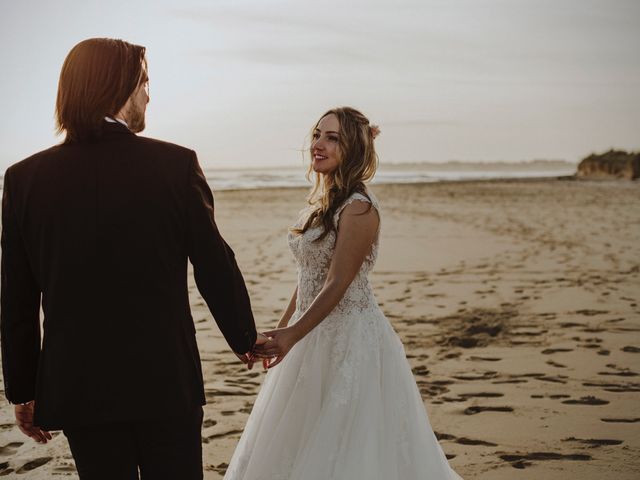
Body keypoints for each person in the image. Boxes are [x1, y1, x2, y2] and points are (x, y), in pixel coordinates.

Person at [0, 38, 264, 480]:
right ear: (118, 87)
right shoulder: (175, 165)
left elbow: (17, 299)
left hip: (80, 385)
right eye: (143, 82)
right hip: (165, 378)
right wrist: (244, 336)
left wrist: (23, 389)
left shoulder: (25, 179)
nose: (148, 94)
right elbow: (214, 264)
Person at [225, 107, 463, 479]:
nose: (318, 144)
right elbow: (309, 275)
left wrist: (293, 334)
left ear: (352, 148)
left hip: (350, 339)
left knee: (345, 442)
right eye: (317, 135)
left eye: (332, 138)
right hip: (310, 334)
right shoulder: (320, 205)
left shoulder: (359, 209)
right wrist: (282, 327)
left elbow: (337, 282)